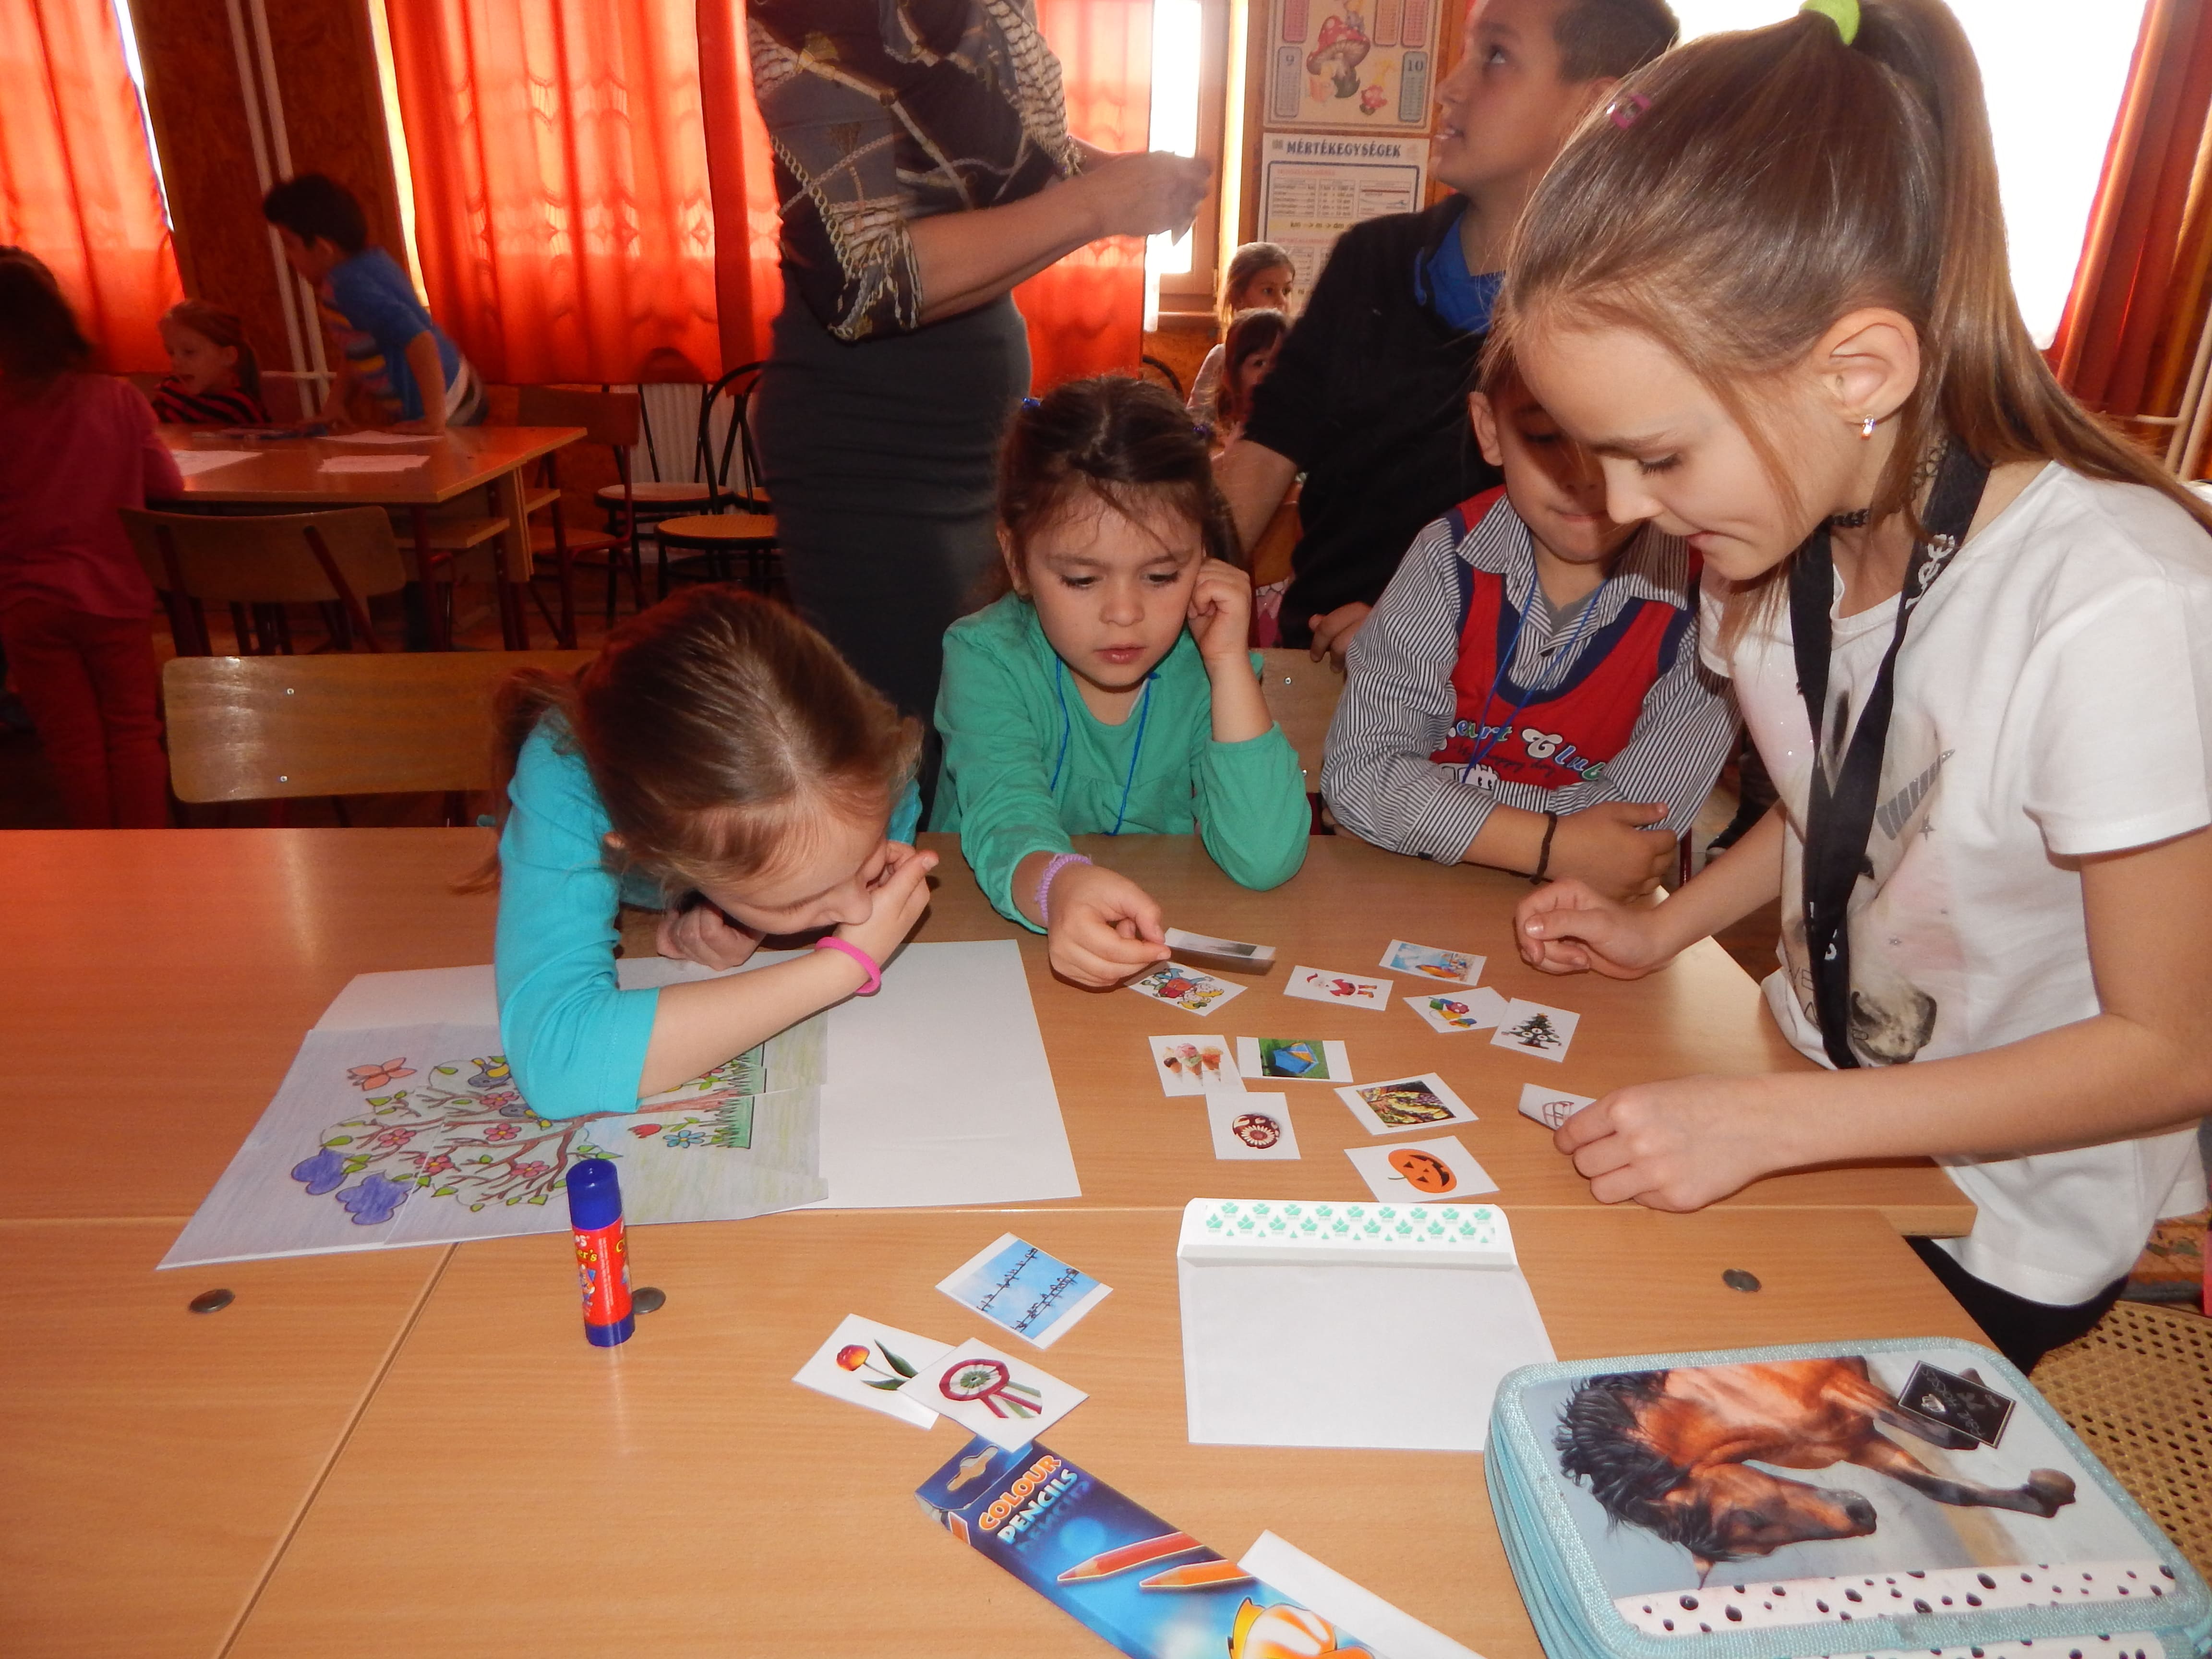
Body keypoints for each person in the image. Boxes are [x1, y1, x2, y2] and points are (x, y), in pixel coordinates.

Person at [1499, 0, 2212, 1370]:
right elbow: (1848, 796)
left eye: (1657, 455)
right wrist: (1664, 927)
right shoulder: (1769, 532)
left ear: (1858, 373)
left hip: (2003, 1213)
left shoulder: (2120, 603)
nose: (1623, 506)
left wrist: (1772, 1126)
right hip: (1807, 1092)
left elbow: (2172, 1049)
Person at [748, 2, 1212, 783]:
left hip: (970, 437)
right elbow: (863, 279)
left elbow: (969, 156)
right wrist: (1100, 204)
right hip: (874, 448)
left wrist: (1113, 176)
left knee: (982, 727)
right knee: (911, 756)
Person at [1215, 0, 1678, 665]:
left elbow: (1633, 544)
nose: (1447, 88)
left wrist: (1421, 633)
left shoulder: (1638, 306)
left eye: (1496, 56)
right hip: (1324, 669)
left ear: (1593, 106)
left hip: (1525, 690)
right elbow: (1266, 449)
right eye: (1466, 52)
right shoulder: (1373, 260)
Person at [484, 586, 935, 1121]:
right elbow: (561, 1062)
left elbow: (831, 834)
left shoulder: (854, 752)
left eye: (866, 859)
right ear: (652, 853)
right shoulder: (568, 784)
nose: (860, 911)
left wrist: (752, 915)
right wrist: (842, 967)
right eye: (796, 900)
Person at [933, 377, 1309, 988]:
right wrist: (1061, 887)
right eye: (1082, 580)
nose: (1125, 614)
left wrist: (1228, 663)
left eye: (1161, 576)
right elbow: (1007, 815)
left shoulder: (1204, 663)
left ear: (1203, 558)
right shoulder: (985, 657)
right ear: (1018, 561)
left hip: (1147, 934)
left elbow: (1265, 857)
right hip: (985, 948)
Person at [1322, 354, 1735, 899]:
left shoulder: (1712, 601)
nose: (1586, 476)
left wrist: (1420, 807)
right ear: (1490, 431)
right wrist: (1556, 845)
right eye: (1545, 437)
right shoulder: (1446, 555)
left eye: (1621, 444)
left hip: (1578, 915)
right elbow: (1360, 778)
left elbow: (1634, 839)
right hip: (1414, 896)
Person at [0, 251, 180, 829]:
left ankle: (98, 861)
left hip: (26, 598)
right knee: (134, 732)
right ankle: (148, 855)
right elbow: (166, 485)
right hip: (113, 593)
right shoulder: (117, 398)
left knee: (72, 746)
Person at [260, 173, 484, 433]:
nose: (288, 258)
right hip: (455, 392)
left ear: (322, 249)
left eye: (290, 245)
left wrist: (434, 419)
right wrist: (335, 404)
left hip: (449, 404)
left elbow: (420, 341)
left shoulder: (347, 286)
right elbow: (358, 346)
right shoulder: (370, 263)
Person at [1187, 241, 1295, 425]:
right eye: (1268, 291)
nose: (1281, 301)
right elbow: (1194, 423)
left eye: (1286, 291)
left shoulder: (1299, 354)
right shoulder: (1221, 357)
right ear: (1238, 297)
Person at [151, 301, 269, 426]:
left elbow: (264, 438)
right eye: (171, 353)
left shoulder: (239, 407)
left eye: (189, 352)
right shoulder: (170, 390)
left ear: (228, 356)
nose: (176, 362)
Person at [1207, 308, 1291, 452]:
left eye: (1282, 361)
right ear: (1229, 378)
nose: (1273, 373)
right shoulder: (1224, 449)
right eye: (1260, 363)